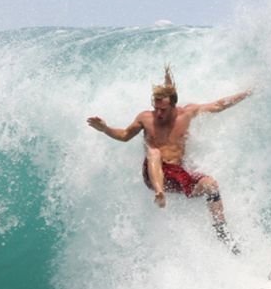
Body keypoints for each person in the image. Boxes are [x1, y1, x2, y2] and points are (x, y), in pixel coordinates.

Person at [88, 67, 251, 250]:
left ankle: (223, 233)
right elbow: (125, 135)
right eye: (156, 108)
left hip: (177, 175)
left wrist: (246, 93)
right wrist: (105, 129)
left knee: (211, 185)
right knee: (154, 151)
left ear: (174, 105)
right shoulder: (145, 119)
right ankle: (160, 193)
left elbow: (218, 105)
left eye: (163, 109)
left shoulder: (187, 113)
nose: (158, 113)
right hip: (153, 174)